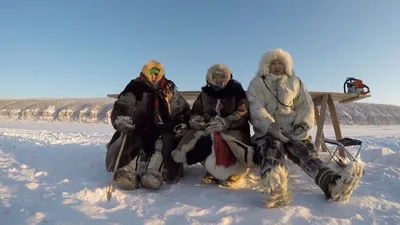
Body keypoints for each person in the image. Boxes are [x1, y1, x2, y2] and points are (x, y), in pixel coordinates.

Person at [247, 49, 364, 208]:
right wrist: (270, 126)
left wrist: (302, 126)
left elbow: (306, 105)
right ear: (266, 65)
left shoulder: (295, 82)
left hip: (292, 128)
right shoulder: (257, 83)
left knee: (307, 155)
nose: (277, 67)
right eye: (273, 63)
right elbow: (255, 107)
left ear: (286, 65)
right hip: (268, 130)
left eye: (280, 63)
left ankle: (332, 185)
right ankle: (274, 188)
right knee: (271, 151)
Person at [105, 60, 191, 190]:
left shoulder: (168, 88)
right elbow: (124, 104)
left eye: (156, 73)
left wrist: (182, 123)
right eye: (151, 73)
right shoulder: (135, 87)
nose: (153, 76)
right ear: (146, 73)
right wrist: (122, 119)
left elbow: (180, 108)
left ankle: (154, 172)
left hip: (163, 126)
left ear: (160, 74)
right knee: (133, 140)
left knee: (162, 144)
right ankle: (129, 170)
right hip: (138, 124)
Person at [171, 64, 256, 187]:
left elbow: (243, 112)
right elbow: (195, 111)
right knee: (201, 141)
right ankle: (212, 170)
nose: (219, 80)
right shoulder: (205, 94)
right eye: (215, 77)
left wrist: (226, 122)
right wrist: (197, 120)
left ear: (227, 78)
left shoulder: (237, 92)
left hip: (234, 128)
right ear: (210, 78)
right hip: (209, 128)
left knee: (230, 142)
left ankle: (235, 172)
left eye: (222, 77)